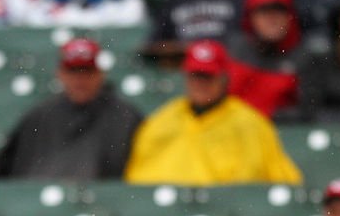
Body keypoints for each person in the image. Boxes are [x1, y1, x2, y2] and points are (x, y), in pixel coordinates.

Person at [125, 40, 302, 186]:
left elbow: (285, 180)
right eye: (196, 75)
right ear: (185, 77)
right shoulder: (160, 122)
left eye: (207, 76)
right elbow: (136, 183)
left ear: (224, 78)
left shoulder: (251, 124)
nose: (201, 83)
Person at [0, 38, 143, 180]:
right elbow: (0, 174)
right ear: (60, 74)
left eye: (87, 71)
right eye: (73, 71)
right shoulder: (39, 116)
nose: (80, 79)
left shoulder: (125, 117)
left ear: (100, 74)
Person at [224, 0, 302, 120]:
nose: (272, 19)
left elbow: (306, 114)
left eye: (279, 11)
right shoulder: (234, 51)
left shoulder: (304, 57)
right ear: (250, 17)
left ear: (290, 17)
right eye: (264, 12)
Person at [139, 0, 243, 67]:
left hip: (228, 65)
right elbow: (152, 46)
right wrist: (183, 48)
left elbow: (248, 40)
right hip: (188, 68)